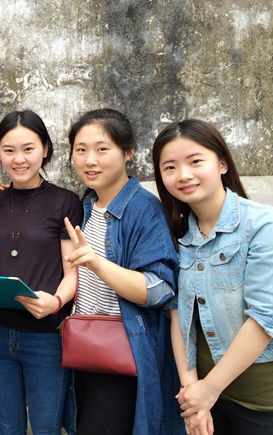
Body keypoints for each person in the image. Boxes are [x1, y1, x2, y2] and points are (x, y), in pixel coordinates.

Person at [153, 119, 273, 435]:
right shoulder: (178, 237)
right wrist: (192, 393)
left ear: (222, 163)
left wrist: (209, 389)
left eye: (195, 161)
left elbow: (265, 318)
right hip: (208, 401)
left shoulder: (261, 225)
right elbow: (177, 317)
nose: (183, 175)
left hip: (261, 403)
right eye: (170, 167)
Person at [66, 108, 181, 435]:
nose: (90, 160)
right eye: (81, 149)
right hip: (84, 346)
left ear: (128, 152)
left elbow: (159, 289)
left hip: (123, 351)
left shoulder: (143, 208)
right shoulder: (87, 205)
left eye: (102, 149)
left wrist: (98, 264)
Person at [0, 109, 82, 435]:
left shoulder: (65, 202)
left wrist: (56, 302)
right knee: (9, 426)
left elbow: (73, 272)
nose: (19, 159)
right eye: (9, 150)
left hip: (46, 336)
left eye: (28, 149)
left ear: (46, 149)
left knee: (45, 427)